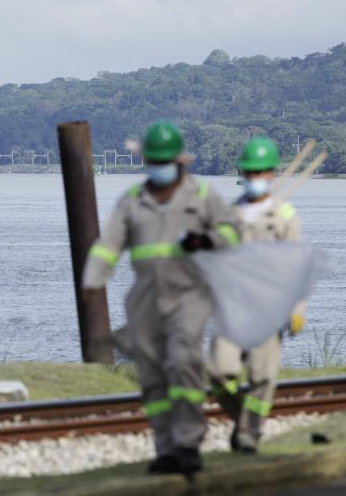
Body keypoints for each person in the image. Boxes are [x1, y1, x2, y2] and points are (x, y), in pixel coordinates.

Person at [83, 121, 241, 475]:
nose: (158, 168)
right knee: (153, 374)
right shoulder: (132, 200)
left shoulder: (201, 196)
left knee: (183, 360)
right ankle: (165, 448)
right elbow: (109, 244)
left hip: (189, 294)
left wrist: (206, 241)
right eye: (153, 161)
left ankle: (188, 443)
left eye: (163, 161)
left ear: (179, 162)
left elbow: (232, 230)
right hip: (145, 298)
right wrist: (93, 280)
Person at [208, 137, 304, 453]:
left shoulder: (285, 216)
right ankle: (243, 421)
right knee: (219, 372)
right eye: (249, 172)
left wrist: (297, 307)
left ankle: (252, 430)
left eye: (260, 172)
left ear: (271, 174)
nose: (254, 178)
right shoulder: (229, 214)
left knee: (263, 377)